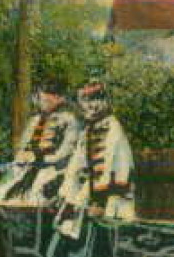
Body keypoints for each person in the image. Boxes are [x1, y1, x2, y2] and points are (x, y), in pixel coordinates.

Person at [56, 79, 136, 236]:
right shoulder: (89, 129)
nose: (89, 106)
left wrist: (99, 202)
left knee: (93, 219)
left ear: (104, 102)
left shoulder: (112, 128)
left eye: (94, 100)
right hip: (93, 188)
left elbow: (112, 170)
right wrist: (65, 192)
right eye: (85, 101)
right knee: (67, 214)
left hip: (113, 195)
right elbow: (76, 164)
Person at [0, 79, 80, 206]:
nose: (43, 104)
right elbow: (24, 146)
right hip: (29, 169)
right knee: (6, 193)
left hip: (55, 170)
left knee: (38, 197)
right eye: (42, 100)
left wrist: (40, 158)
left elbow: (66, 152)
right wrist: (22, 156)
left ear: (59, 98)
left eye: (47, 101)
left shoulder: (69, 120)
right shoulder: (35, 120)